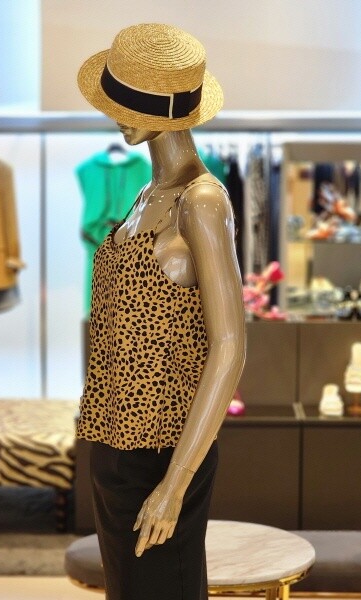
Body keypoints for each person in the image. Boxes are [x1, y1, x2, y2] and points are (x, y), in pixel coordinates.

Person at [76, 23, 245, 600]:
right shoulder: (147, 196)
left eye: (134, 105)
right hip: (112, 444)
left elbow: (230, 346)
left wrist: (176, 482)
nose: (118, 118)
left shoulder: (202, 202)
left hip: (162, 454)